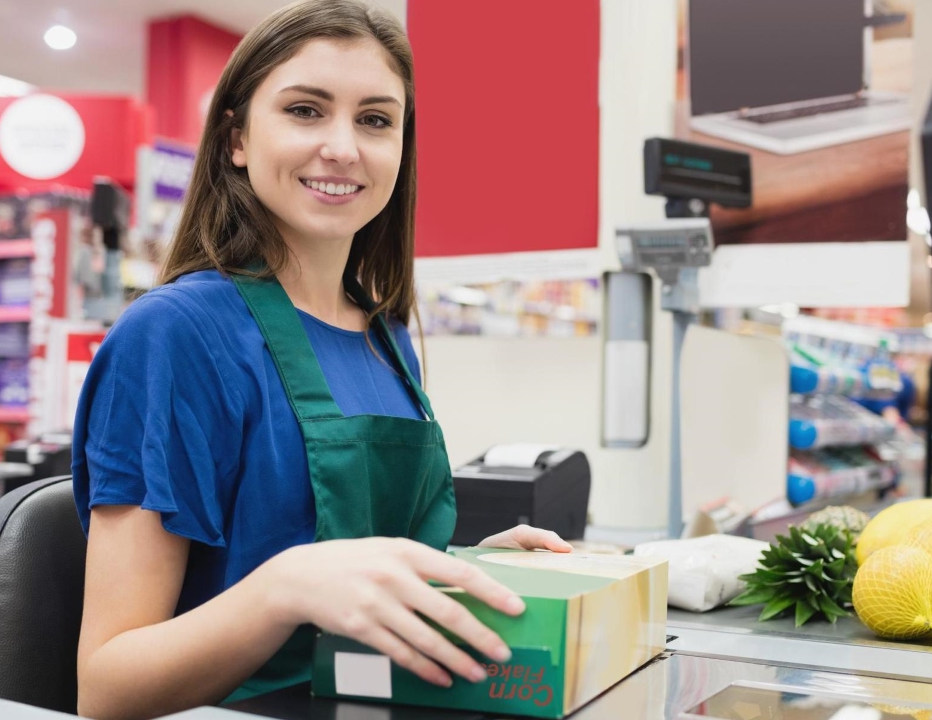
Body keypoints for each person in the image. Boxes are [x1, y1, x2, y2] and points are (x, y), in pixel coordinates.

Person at [71, 2, 572, 718]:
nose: (343, 147)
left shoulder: (387, 335)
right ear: (236, 138)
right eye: (306, 110)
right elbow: (107, 689)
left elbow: (360, 579)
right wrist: (284, 589)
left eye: (375, 120)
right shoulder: (176, 335)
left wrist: (464, 574)